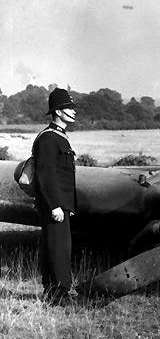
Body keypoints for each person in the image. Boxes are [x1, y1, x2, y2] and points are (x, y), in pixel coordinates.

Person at [33, 88, 78, 305]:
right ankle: (60, 294)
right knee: (58, 248)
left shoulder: (58, 137)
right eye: (68, 108)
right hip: (55, 205)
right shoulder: (49, 139)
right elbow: (46, 175)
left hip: (60, 204)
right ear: (58, 111)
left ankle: (53, 292)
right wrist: (55, 205)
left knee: (55, 246)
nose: (73, 112)